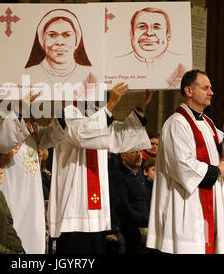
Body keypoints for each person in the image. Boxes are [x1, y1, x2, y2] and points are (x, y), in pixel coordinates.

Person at [48, 84, 152, 254]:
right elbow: (84, 135)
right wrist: (110, 104)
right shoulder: (68, 112)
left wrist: (141, 106)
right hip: (74, 205)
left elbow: (120, 138)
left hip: (95, 211)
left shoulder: (97, 112)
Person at [147, 69, 224, 254]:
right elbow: (182, 166)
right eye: (205, 88)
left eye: (210, 88)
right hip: (186, 203)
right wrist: (218, 171)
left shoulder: (207, 122)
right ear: (189, 91)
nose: (211, 92)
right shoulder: (176, 123)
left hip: (207, 200)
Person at [0, 91, 68, 254]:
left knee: (33, 240)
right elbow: (0, 141)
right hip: (9, 193)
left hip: (32, 195)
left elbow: (50, 137)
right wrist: (19, 111)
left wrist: (59, 112)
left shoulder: (29, 122)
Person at [24, 8, 97, 100]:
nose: (60, 42)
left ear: (76, 40)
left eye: (67, 35)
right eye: (52, 35)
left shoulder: (89, 75)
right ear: (42, 40)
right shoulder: (28, 74)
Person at [112, 7, 188, 89]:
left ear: (168, 34)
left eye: (156, 27)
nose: (149, 33)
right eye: (142, 27)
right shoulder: (114, 64)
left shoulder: (182, 63)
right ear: (131, 34)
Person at [109, 150, 151, 255]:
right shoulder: (117, 176)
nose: (139, 156)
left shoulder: (140, 174)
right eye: (134, 152)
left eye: (140, 152)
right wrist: (145, 221)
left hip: (146, 228)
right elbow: (123, 207)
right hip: (130, 231)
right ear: (123, 155)